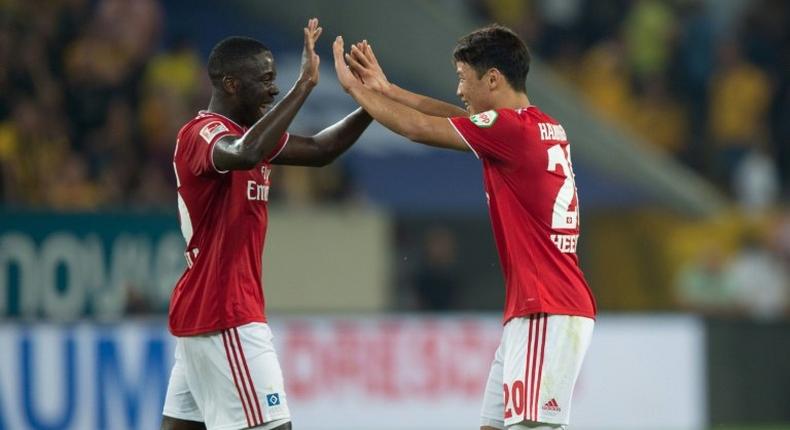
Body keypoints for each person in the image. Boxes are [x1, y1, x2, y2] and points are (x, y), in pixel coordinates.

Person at [333, 25, 596, 430]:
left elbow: (417, 128)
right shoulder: (540, 126)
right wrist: (389, 90)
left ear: (492, 78)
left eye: (461, 78)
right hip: (538, 309)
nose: (459, 90)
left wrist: (356, 90)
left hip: (546, 308)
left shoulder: (508, 131)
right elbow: (459, 117)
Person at [162, 19, 372, 430]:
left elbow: (321, 148)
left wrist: (374, 103)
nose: (274, 88)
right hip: (227, 318)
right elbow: (243, 153)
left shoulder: (249, 134)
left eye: (276, 79)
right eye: (266, 80)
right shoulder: (202, 133)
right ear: (232, 84)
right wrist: (304, 86)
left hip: (209, 319)